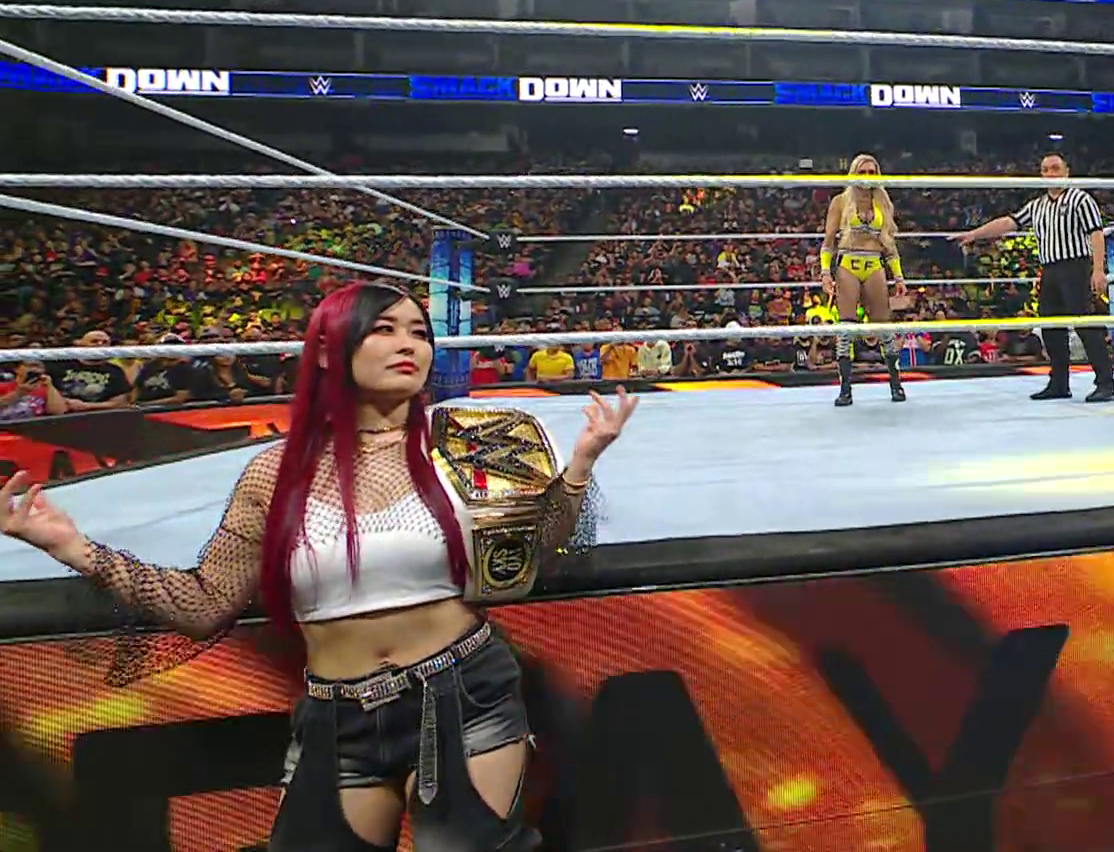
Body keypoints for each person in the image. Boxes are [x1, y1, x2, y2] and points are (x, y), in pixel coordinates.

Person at [0, 281, 639, 851]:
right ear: (331, 350)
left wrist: (580, 466)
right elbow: (204, 605)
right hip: (336, 715)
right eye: (385, 329)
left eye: (419, 332)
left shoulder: (467, 444)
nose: (408, 344)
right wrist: (71, 547)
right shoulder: (274, 474)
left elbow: (535, 550)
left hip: (463, 694)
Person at [953, 151, 1114, 403]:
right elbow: (1009, 222)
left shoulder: (1081, 199)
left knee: (1085, 323)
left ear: (1067, 171)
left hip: (1075, 266)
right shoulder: (1037, 205)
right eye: (1045, 169)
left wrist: (1098, 269)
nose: (1050, 173)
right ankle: (1059, 382)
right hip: (1049, 269)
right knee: (1051, 326)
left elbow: (1096, 233)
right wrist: (974, 234)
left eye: (1055, 168)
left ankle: (1106, 383)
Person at [820, 154, 908, 406]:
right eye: (863, 172)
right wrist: (825, 273)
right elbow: (828, 241)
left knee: (884, 325)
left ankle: (896, 384)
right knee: (846, 327)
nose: (867, 177)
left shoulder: (883, 203)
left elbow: (889, 244)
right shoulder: (840, 202)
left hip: (874, 263)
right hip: (848, 262)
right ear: (854, 173)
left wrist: (899, 276)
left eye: (872, 172)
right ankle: (845, 390)